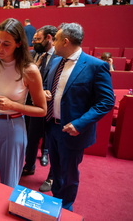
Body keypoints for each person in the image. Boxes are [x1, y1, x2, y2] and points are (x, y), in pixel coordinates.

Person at [0, 18, 47, 187]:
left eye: (6, 44)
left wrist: (13, 105)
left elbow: (42, 109)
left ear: (18, 44)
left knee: (8, 183)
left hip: (13, 127)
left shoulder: (29, 70)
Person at [46, 23, 114, 210]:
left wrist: (79, 124)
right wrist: (45, 92)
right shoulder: (54, 61)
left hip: (73, 131)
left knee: (68, 174)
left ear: (65, 41)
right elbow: (49, 85)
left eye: (56, 40)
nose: (53, 44)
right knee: (56, 170)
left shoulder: (95, 66)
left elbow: (106, 101)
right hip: (52, 127)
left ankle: (66, 208)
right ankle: (54, 203)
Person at [22, 25, 58, 178]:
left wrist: (44, 90)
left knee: (48, 135)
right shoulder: (33, 54)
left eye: (38, 39)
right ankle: (29, 165)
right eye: (34, 39)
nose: (34, 42)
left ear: (48, 38)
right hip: (30, 102)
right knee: (31, 136)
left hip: (50, 104)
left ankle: (45, 152)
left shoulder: (59, 56)